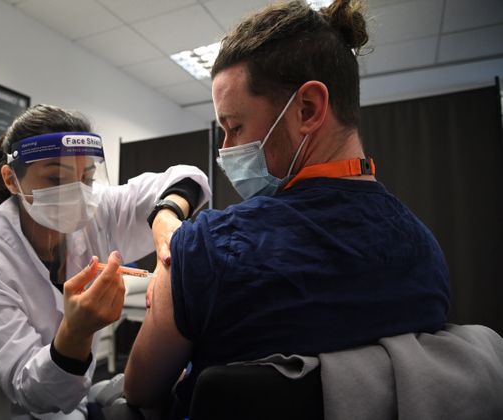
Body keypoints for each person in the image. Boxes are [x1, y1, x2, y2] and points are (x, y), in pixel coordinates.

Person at [123, 0, 450, 417]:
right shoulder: (424, 254)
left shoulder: (205, 249)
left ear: (308, 109)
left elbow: (140, 391)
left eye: (235, 126)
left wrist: (175, 278)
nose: (226, 150)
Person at [0, 104, 211, 419]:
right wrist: (76, 332)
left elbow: (187, 177)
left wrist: (166, 213)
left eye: (87, 177)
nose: (78, 194)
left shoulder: (98, 211)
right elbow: (34, 392)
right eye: (56, 178)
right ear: (12, 180)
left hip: (69, 399)